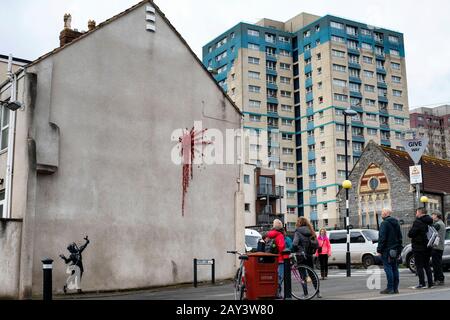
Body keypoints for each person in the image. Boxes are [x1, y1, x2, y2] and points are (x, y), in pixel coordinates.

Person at [292, 217, 321, 298]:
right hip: (309, 255)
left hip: (300, 255)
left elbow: (295, 244)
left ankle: (306, 294)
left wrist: (296, 250)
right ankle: (318, 292)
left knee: (302, 275)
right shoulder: (311, 231)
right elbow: (317, 244)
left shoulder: (298, 232)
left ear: (299, 223)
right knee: (312, 273)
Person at [376, 208, 402, 294]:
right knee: (394, 268)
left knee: (388, 268)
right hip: (395, 250)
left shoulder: (384, 223)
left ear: (386, 213)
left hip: (387, 250)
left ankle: (390, 288)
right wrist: (399, 250)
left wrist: (379, 249)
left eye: (382, 212)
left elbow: (382, 238)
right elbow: (400, 237)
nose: (381, 214)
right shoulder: (396, 223)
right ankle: (395, 288)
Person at [408, 208, 434, 289]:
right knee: (427, 265)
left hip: (418, 247)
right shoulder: (430, 221)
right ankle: (430, 283)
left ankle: (422, 283)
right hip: (428, 246)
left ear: (420, 213)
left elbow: (411, 234)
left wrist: (411, 231)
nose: (416, 214)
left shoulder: (417, 222)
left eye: (416, 212)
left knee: (419, 266)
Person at [265, 219, 287, 298]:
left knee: (272, 277)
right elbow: (282, 248)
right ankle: (277, 294)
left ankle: (270, 292)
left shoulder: (269, 234)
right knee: (279, 278)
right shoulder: (279, 235)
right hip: (280, 259)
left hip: (270, 259)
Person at [431, 212, 446, 286]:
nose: (432, 216)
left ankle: (438, 279)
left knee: (436, 264)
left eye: (433, 215)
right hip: (440, 246)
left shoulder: (437, 224)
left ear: (436, 216)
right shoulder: (442, 223)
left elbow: (430, 231)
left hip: (436, 246)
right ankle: (441, 279)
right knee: (438, 263)